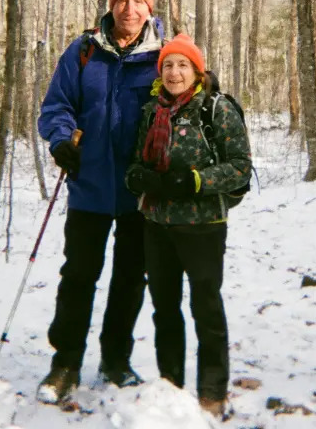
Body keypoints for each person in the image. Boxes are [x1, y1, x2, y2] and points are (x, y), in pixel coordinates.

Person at [36, 0, 163, 404]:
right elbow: (56, 105)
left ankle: (115, 360)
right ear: (111, 4)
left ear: (151, 8)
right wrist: (60, 140)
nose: (130, 8)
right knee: (78, 277)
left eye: (138, 0)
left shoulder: (163, 55)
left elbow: (188, 99)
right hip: (88, 186)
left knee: (130, 279)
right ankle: (65, 363)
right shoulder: (84, 51)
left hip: (139, 190)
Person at [125, 34, 251, 419]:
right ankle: (171, 384)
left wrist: (194, 181)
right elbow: (133, 164)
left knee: (206, 307)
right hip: (157, 225)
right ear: (159, 72)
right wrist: (139, 179)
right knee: (164, 308)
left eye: (182, 65)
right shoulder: (151, 111)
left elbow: (240, 168)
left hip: (203, 226)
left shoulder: (217, 109)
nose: (174, 72)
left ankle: (212, 391)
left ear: (196, 70)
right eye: (167, 65)